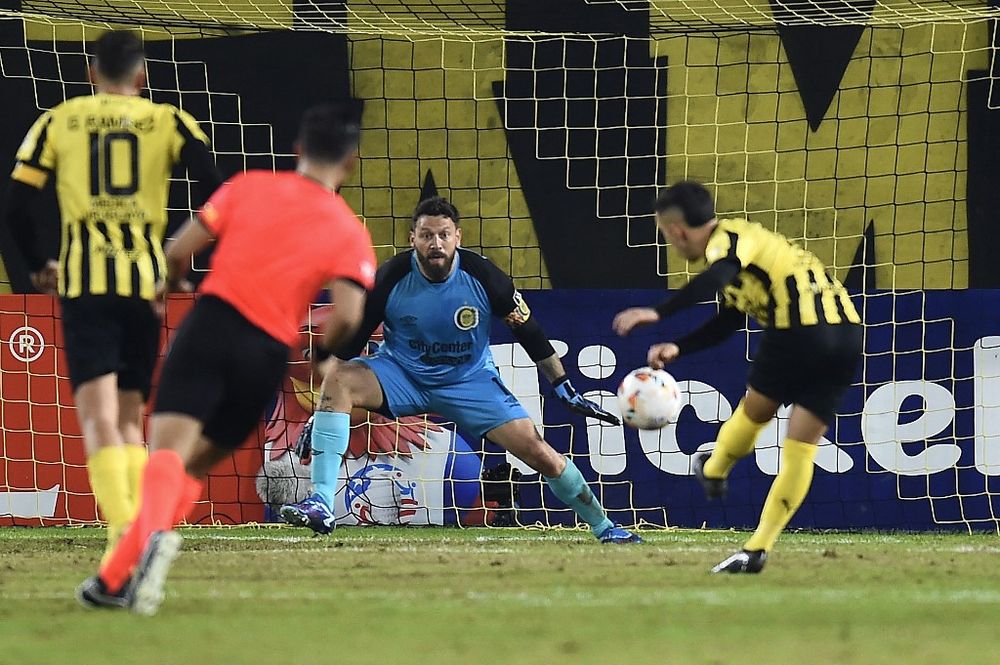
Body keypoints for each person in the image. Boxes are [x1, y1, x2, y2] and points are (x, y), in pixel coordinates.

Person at [75, 102, 377, 615]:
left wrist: (169, 287)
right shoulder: (349, 230)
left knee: (166, 455)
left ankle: (116, 571)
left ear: (297, 149)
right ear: (350, 162)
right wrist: (322, 352)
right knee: (197, 466)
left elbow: (177, 250)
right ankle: (133, 568)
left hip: (210, 328)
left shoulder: (248, 186)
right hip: (263, 356)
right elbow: (348, 313)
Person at [281, 196, 641, 545]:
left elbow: (529, 333)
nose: (435, 243)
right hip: (402, 375)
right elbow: (345, 350)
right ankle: (322, 503)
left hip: (469, 382)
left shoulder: (485, 278)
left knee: (538, 451)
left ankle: (605, 526)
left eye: (443, 235)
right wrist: (325, 410)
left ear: (458, 237)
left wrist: (562, 385)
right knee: (340, 380)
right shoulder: (388, 280)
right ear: (413, 239)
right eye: (426, 235)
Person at [1, 30, 221, 559]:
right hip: (145, 287)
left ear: (91, 74)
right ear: (142, 77)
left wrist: (38, 267)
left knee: (99, 418)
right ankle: (141, 529)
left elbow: (14, 206)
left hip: (86, 286)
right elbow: (220, 193)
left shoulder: (58, 120)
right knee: (128, 418)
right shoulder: (168, 120)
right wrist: (178, 259)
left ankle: (126, 534)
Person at [613, 181, 862, 574]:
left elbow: (718, 274)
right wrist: (681, 347)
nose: (672, 246)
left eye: (666, 236)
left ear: (676, 230)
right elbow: (730, 317)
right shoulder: (754, 245)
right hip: (846, 333)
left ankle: (714, 468)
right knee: (800, 448)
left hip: (797, 329)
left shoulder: (727, 240)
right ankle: (756, 549)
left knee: (754, 412)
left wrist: (660, 312)